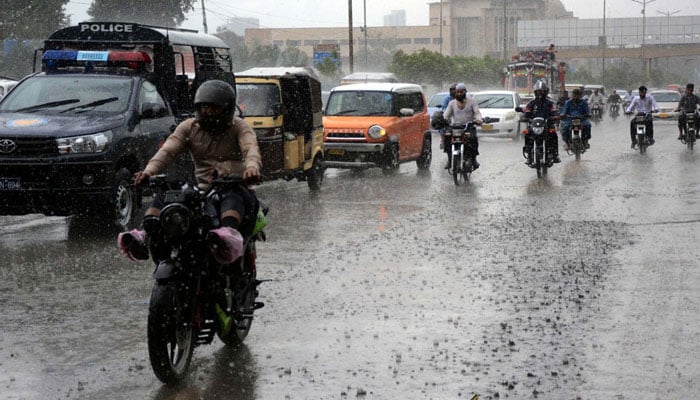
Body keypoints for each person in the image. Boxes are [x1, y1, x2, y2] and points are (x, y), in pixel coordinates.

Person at [117, 80, 262, 264]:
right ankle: (145, 233)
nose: (208, 112)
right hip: (203, 189)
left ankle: (227, 237)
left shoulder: (240, 127)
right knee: (168, 192)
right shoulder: (188, 127)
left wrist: (251, 169)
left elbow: (251, 149)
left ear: (227, 109)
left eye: (214, 108)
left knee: (231, 195)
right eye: (204, 107)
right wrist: (148, 172)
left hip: (235, 186)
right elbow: (167, 151)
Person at [442, 82, 483, 169]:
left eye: (461, 92)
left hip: (468, 127)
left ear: (465, 92)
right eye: (458, 92)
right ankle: (449, 160)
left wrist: (479, 120)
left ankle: (473, 159)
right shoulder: (452, 103)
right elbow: (446, 115)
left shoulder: (472, 102)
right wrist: (443, 120)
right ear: (455, 93)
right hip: (455, 127)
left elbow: (477, 113)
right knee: (447, 138)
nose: (459, 94)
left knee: (473, 139)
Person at [522, 80, 560, 164]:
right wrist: (524, 117)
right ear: (535, 92)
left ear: (545, 92)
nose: (539, 94)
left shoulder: (550, 103)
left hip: (547, 125)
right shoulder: (531, 103)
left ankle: (554, 154)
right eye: (538, 92)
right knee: (527, 133)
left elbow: (555, 111)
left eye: (541, 92)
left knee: (553, 134)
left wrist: (556, 116)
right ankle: (529, 154)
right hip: (534, 125)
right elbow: (527, 112)